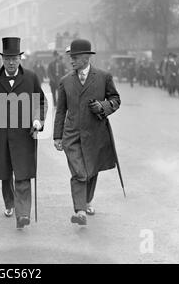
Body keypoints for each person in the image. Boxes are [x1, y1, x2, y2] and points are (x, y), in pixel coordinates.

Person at [0, 37, 47, 230]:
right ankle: (9, 203)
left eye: (14, 58)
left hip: (24, 136)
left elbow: (40, 101)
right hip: (0, 137)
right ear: (2, 60)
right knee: (5, 174)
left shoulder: (31, 78)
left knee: (23, 174)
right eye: (7, 59)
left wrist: (38, 119)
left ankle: (23, 214)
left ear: (20, 58)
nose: (11, 62)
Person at [53, 39, 121, 226]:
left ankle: (87, 200)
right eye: (71, 57)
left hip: (95, 134)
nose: (71, 61)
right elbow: (60, 110)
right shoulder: (65, 81)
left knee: (91, 171)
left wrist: (103, 106)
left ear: (86, 58)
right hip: (71, 135)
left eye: (74, 57)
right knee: (79, 173)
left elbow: (115, 99)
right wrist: (57, 136)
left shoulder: (103, 77)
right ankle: (80, 211)